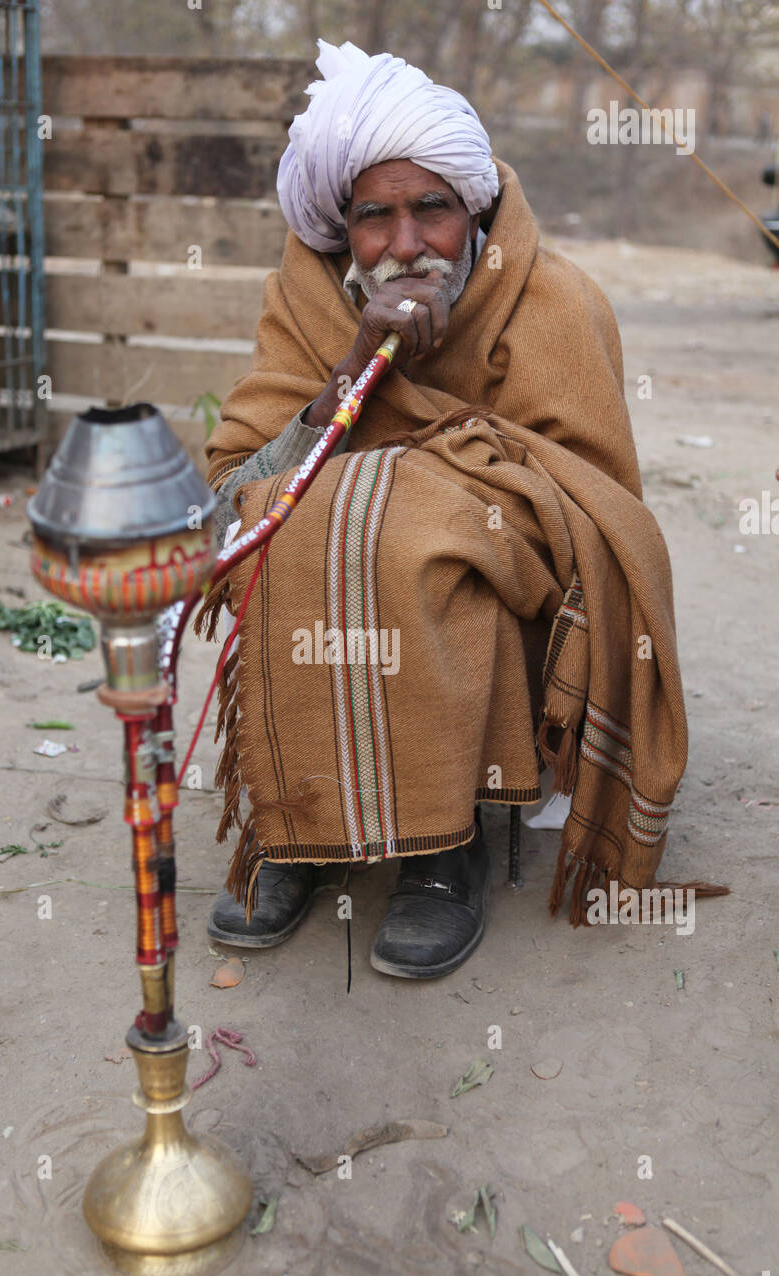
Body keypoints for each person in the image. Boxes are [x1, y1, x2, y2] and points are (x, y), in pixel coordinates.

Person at [197, 38, 692, 979]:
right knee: (305, 516)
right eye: (374, 219)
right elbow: (226, 502)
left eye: (433, 210)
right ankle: (297, 825)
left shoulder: (552, 299)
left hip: (504, 578)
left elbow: (595, 509)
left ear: (475, 211)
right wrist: (350, 374)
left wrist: (442, 478)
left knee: (411, 526)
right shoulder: (305, 301)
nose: (407, 245)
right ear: (341, 231)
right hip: (332, 550)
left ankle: (441, 848)